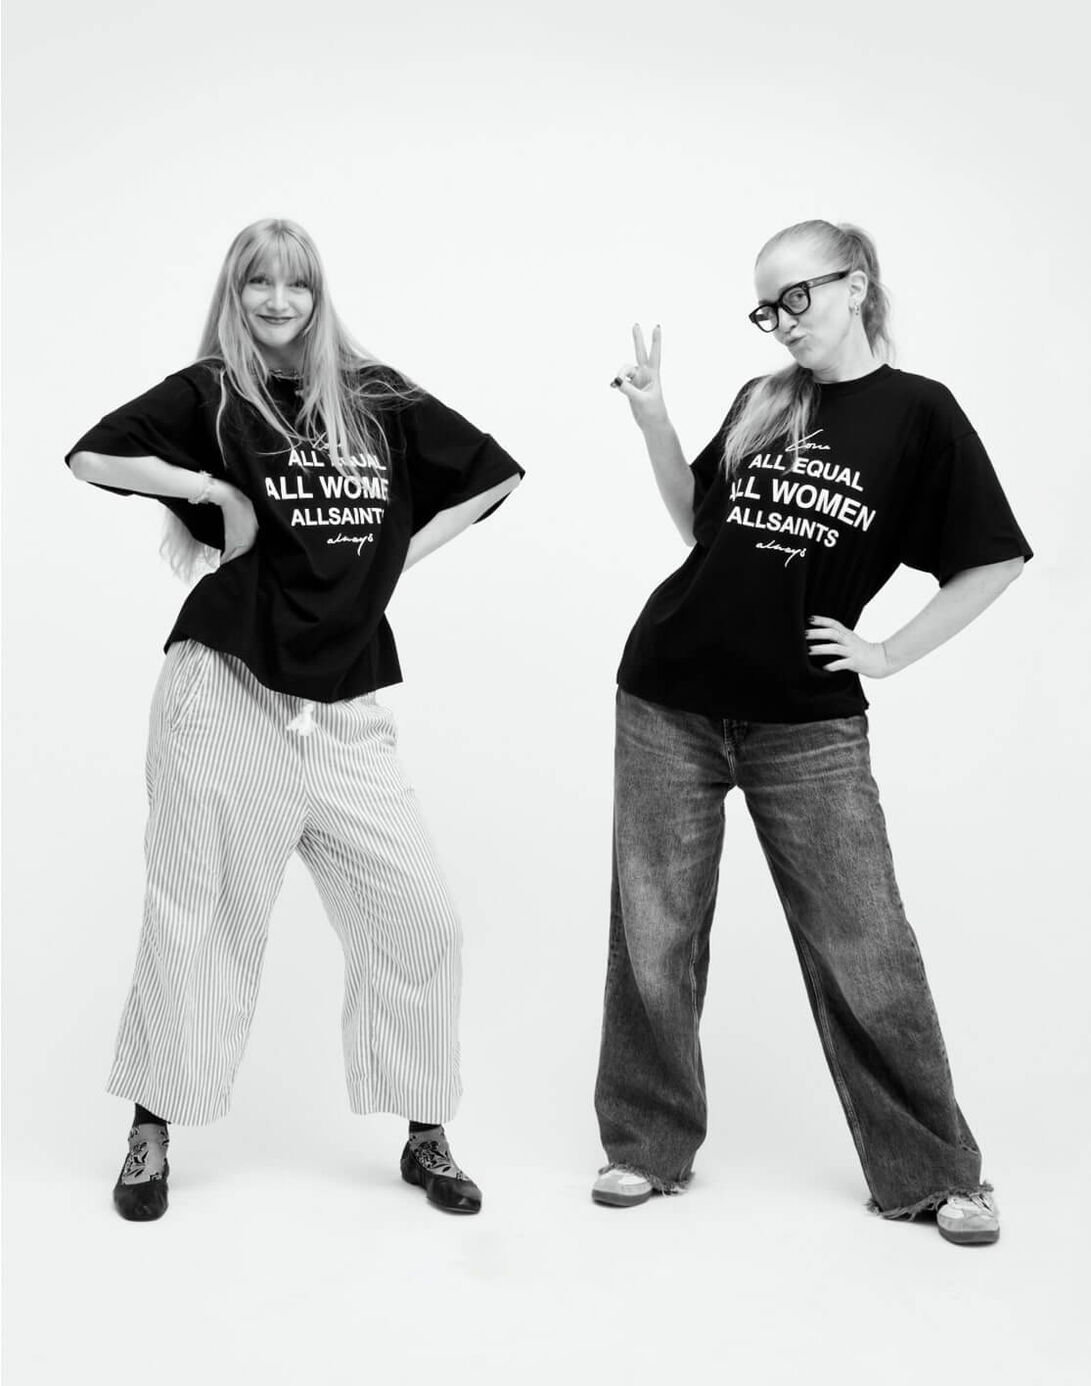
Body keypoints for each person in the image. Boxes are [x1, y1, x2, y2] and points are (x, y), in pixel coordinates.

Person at [66, 218, 523, 1221]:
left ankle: (424, 1132)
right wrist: (211, 490)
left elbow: (495, 476)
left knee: (419, 913)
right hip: (223, 688)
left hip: (347, 700)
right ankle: (151, 1129)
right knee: (198, 916)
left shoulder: (376, 396)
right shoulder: (211, 394)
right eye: (257, 283)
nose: (277, 300)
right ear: (235, 294)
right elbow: (91, 455)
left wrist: (394, 561)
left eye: (296, 284)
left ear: (320, 295)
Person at [592, 220, 1030, 1246]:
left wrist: (885, 653)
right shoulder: (762, 400)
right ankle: (645, 1149)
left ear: (855, 284)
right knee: (653, 936)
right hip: (666, 695)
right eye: (764, 305)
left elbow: (991, 559)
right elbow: (702, 527)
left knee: (865, 947)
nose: (780, 321)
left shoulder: (917, 413)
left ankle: (932, 1172)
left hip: (806, 727)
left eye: (796, 296)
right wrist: (656, 422)